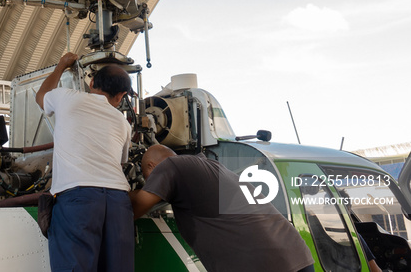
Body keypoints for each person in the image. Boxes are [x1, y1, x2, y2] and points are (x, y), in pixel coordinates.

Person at [130, 144, 315, 272]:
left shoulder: (171, 166)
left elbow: (137, 208)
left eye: (147, 178)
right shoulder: (212, 166)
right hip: (295, 255)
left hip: (265, 265)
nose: (149, 183)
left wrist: (116, 193)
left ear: (151, 166)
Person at [35, 52, 134, 272]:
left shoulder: (67, 97)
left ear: (91, 83)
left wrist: (61, 66)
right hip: (119, 202)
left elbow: (41, 96)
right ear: (121, 96)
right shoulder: (123, 122)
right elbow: (120, 162)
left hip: (78, 199)